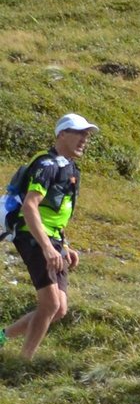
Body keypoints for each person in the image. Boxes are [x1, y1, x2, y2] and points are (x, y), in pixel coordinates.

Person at [3, 114, 96, 362]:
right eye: (79, 133)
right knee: (50, 304)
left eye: (87, 135)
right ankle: (23, 362)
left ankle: (2, 338)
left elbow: (57, 213)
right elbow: (30, 207)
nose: (84, 139)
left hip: (53, 239)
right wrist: (47, 247)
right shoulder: (48, 165)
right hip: (32, 235)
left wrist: (64, 245)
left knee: (58, 309)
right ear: (62, 134)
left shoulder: (71, 168)